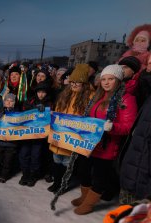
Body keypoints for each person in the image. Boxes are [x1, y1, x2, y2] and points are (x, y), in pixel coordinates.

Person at [73, 65, 137, 215]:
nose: (106, 82)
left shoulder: (127, 98)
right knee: (83, 170)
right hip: (90, 143)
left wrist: (113, 127)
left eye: (110, 79)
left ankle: (89, 204)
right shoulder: (98, 96)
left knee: (99, 176)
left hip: (107, 146)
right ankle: (84, 196)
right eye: (103, 79)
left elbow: (129, 126)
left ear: (119, 80)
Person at [47, 64, 92, 194]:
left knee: (67, 162)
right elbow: (58, 110)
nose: (74, 85)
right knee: (56, 160)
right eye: (72, 82)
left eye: (77, 82)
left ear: (83, 82)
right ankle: (56, 182)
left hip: (72, 137)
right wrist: (53, 115)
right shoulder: (65, 94)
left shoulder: (89, 97)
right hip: (59, 134)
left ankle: (63, 184)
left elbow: (87, 118)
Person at [19, 82, 52, 186]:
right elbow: (23, 112)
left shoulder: (50, 103)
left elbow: (51, 117)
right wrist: (34, 109)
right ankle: (25, 174)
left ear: (46, 93)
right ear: (36, 92)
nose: (41, 94)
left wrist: (46, 112)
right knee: (24, 154)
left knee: (36, 156)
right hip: (27, 134)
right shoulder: (30, 100)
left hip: (39, 137)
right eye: (39, 92)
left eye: (43, 92)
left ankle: (33, 175)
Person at [0, 93, 19, 183]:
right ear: (4, 102)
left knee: (8, 161)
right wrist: (0, 114)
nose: (9, 102)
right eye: (7, 100)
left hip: (11, 143)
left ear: (14, 103)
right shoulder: (0, 111)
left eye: (11, 101)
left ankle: (4, 175)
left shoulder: (18, 114)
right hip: (0, 141)